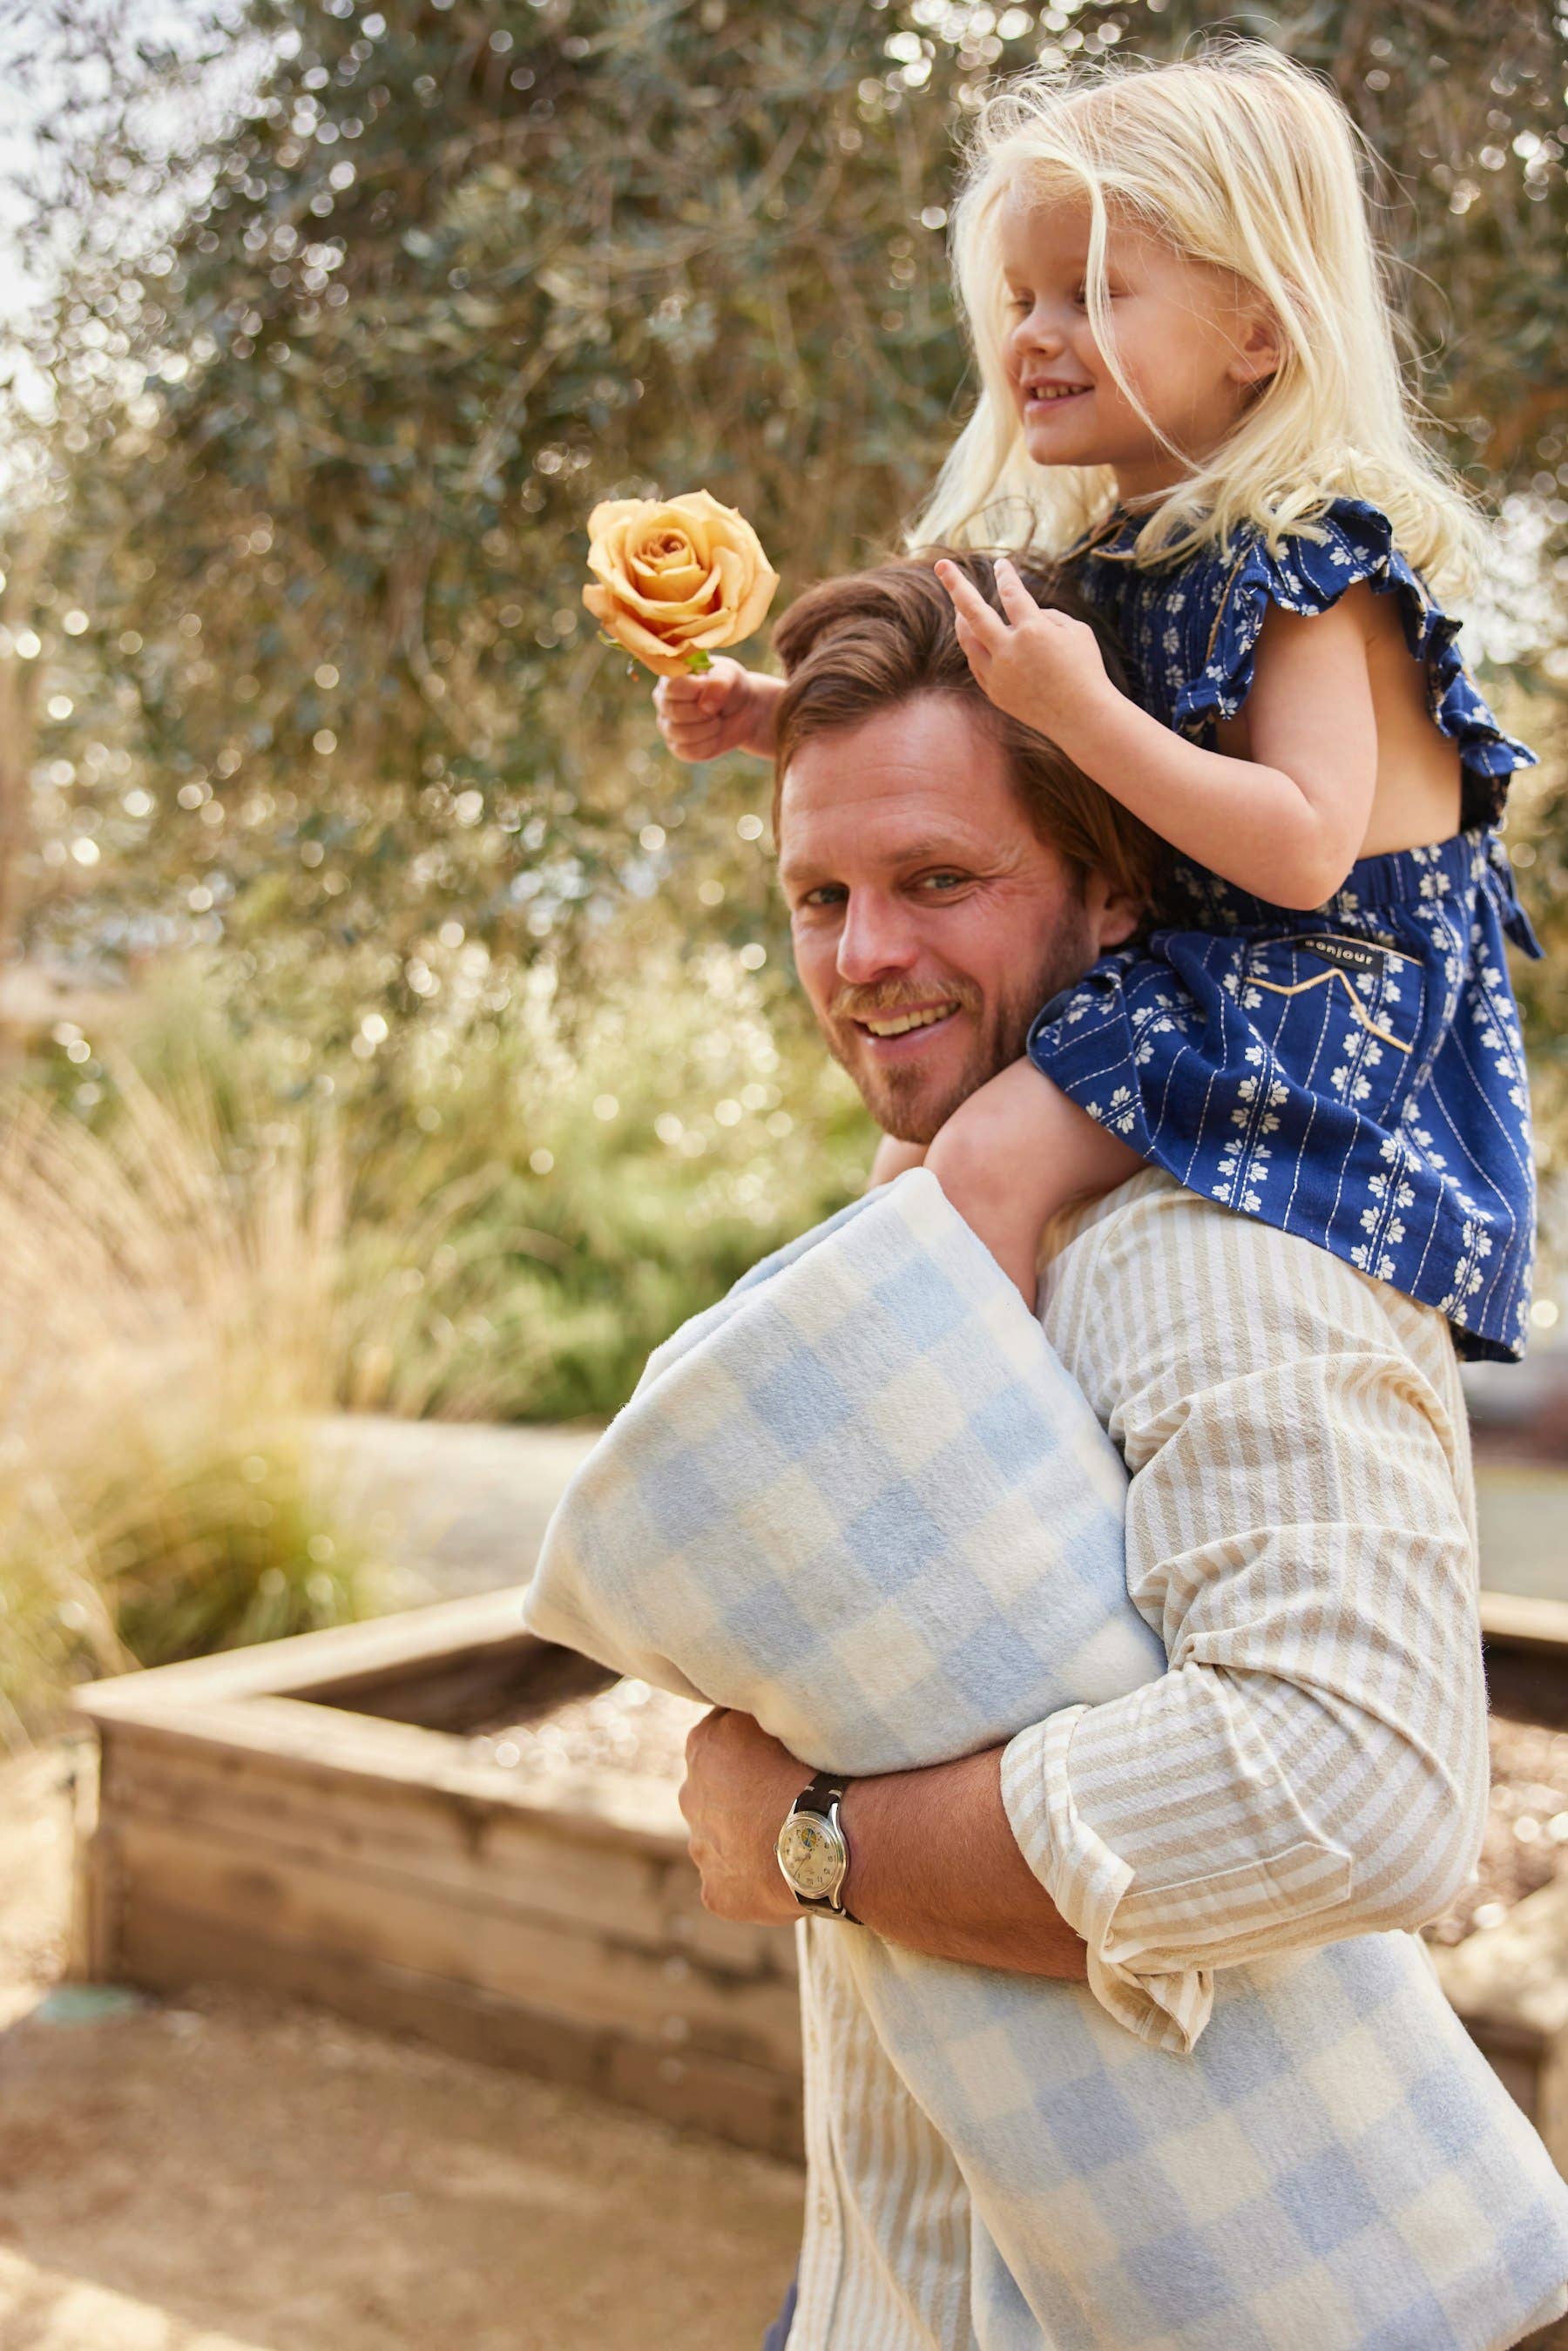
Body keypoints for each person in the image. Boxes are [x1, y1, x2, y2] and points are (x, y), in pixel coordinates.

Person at [655, 551, 1568, 2348]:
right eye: (821, 895)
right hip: (910, 2276)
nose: (866, 956)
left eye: (940, 881)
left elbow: (1357, 1786)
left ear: (1118, 885)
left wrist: (818, 1845)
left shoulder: (1210, 1253)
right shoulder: (993, 1214)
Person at [658, 43, 1542, 1361]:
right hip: (1201, 974)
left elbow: (1304, 851)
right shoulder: (1131, 555)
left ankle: (988, 1441)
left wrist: (1082, 715)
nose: (1034, 334)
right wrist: (772, 713)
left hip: (1336, 1002)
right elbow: (971, 733)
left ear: (1259, 332)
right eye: (1020, 297)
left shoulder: (1309, 567)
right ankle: (845, 1407)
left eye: (1090, 293)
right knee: (909, 1162)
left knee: (989, 1161)